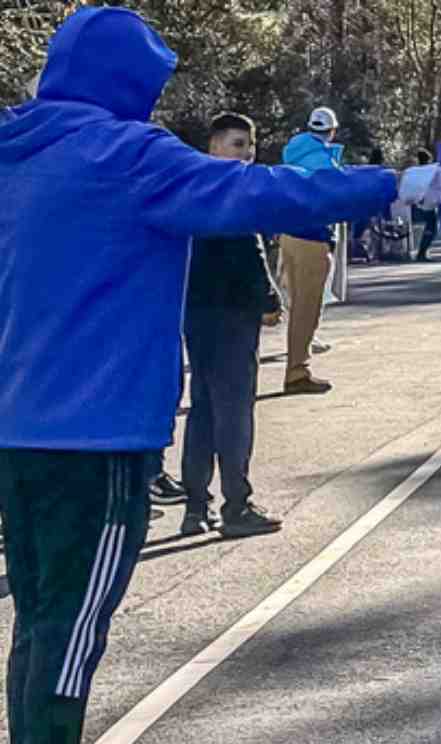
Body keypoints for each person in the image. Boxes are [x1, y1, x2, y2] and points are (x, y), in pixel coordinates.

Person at [0, 9, 441, 744]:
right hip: (101, 439)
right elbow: (258, 190)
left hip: (15, 434)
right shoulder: (128, 155)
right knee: (70, 638)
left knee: (39, 623)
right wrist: (392, 185)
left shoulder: (12, 150)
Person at [180, 113, 285, 539]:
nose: (247, 153)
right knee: (234, 411)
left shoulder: (190, 185)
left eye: (250, 145)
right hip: (230, 312)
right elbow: (250, 248)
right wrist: (268, 297)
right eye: (238, 144)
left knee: (203, 408)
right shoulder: (232, 189)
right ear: (214, 145)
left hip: (197, 310)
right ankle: (236, 505)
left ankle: (195, 505)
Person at [278, 106, 345, 394]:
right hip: (312, 238)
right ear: (332, 131)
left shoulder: (294, 154)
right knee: (308, 308)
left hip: (289, 235)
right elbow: (338, 196)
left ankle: (297, 366)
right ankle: (297, 371)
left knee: (297, 306)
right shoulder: (324, 162)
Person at [413, 147, 440, 261]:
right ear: (428, 160)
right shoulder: (429, 171)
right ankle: (421, 253)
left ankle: (422, 252)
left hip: (419, 202)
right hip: (428, 203)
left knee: (429, 228)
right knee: (431, 228)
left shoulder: (416, 171)